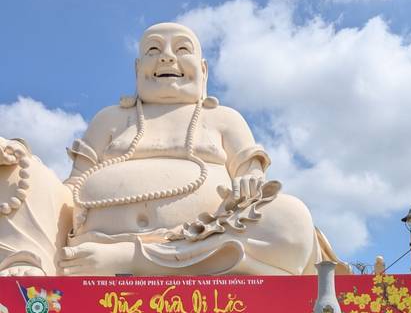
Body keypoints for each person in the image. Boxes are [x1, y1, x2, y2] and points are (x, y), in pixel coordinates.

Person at [0, 22, 349, 277]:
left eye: (182, 49)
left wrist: (250, 179)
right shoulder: (110, 119)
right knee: (16, 165)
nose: (167, 57)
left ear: (204, 70)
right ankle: (31, 265)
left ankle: (132, 259)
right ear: (138, 69)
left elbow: (252, 174)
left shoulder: (224, 118)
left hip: (202, 241)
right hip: (92, 243)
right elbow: (71, 188)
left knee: (290, 219)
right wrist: (26, 171)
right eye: (153, 50)